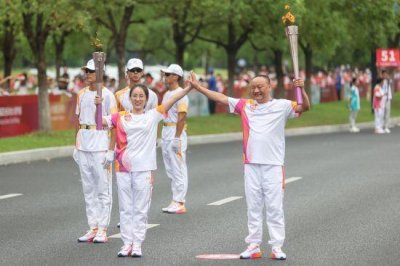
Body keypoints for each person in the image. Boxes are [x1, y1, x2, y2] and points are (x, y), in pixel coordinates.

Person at [186, 72, 310, 260]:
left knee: (274, 208)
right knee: (253, 207)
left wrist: (300, 88)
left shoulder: (282, 106)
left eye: (260, 86)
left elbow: (305, 107)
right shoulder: (246, 106)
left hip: (273, 166)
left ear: (270, 87)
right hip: (251, 165)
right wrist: (198, 88)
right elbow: (220, 97)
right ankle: (253, 246)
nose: (256, 90)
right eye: (253, 87)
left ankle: (277, 247)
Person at [99, 81, 193, 257]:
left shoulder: (153, 115)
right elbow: (99, 123)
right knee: (125, 208)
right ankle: (127, 243)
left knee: (140, 208)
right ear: (129, 98)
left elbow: (172, 99)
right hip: (123, 168)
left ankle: (137, 244)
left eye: (141, 96)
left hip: (144, 169)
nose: (138, 99)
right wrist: (98, 105)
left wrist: (188, 88)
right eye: (134, 96)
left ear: (147, 99)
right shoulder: (119, 116)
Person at [74, 59, 117, 243]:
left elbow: (114, 124)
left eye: (91, 71)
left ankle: (102, 228)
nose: (88, 74)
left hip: (100, 144)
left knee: (102, 188)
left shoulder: (107, 95)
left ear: (100, 73)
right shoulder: (81, 94)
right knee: (88, 188)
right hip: (84, 144)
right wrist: (75, 146)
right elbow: (78, 121)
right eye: (87, 71)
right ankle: (92, 226)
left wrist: (110, 150)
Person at [160, 64, 189, 214]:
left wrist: (177, 138)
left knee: (178, 167)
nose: (165, 76)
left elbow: (182, 116)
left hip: (175, 131)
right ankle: (175, 199)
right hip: (166, 130)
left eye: (168, 74)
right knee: (170, 168)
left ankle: (180, 201)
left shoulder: (181, 93)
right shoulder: (167, 94)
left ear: (176, 76)